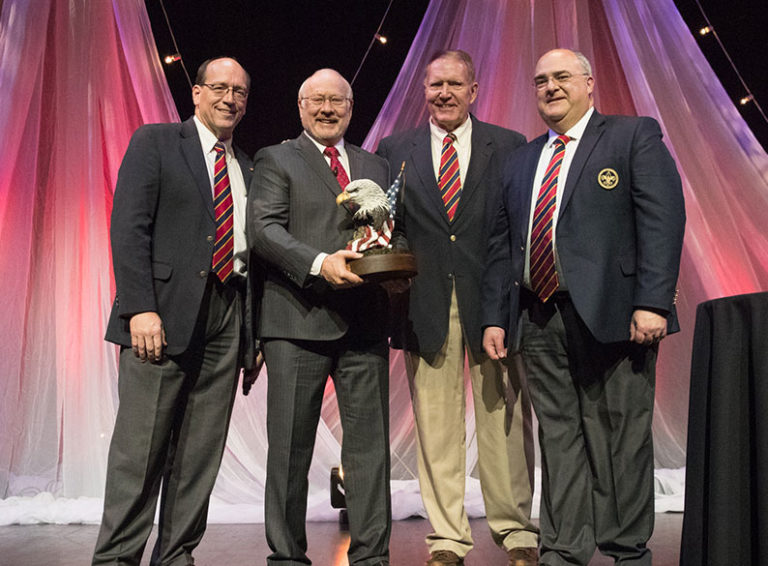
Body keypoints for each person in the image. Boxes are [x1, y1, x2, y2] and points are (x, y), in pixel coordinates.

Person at [482, 49, 686, 565]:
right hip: (538, 316)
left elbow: (662, 221)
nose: (550, 87)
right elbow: (502, 245)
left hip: (618, 316)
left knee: (620, 434)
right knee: (558, 436)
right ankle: (566, 547)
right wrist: (494, 316)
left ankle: (624, 547)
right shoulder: (521, 159)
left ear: (589, 84)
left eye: (562, 77)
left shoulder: (632, 135)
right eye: (540, 80)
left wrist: (653, 301)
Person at [93, 57, 261, 566]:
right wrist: (140, 308)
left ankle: (176, 557)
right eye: (219, 87)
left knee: (200, 454)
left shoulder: (249, 166)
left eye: (240, 91)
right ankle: (117, 559)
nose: (230, 98)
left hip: (227, 316)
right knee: (139, 453)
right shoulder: (157, 142)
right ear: (195, 92)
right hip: (160, 319)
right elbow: (129, 229)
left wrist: (250, 339)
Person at [376, 50, 538, 566]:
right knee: (436, 426)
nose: (443, 93)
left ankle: (515, 529)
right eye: (434, 85)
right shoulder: (394, 147)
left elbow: (514, 229)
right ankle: (446, 537)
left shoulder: (509, 146)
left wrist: (504, 304)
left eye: (454, 84)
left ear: (473, 90)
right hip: (424, 304)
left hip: (493, 304)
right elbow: (389, 223)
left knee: (505, 419)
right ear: (423, 90)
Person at [248, 68, 391, 566]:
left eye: (338, 100)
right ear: (301, 106)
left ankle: (373, 557)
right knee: (289, 453)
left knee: (370, 453)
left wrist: (397, 267)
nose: (328, 109)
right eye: (318, 100)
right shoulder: (276, 158)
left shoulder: (376, 162)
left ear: (351, 108)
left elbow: (389, 232)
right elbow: (263, 229)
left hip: (365, 325)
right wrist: (319, 264)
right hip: (295, 323)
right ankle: (287, 558)